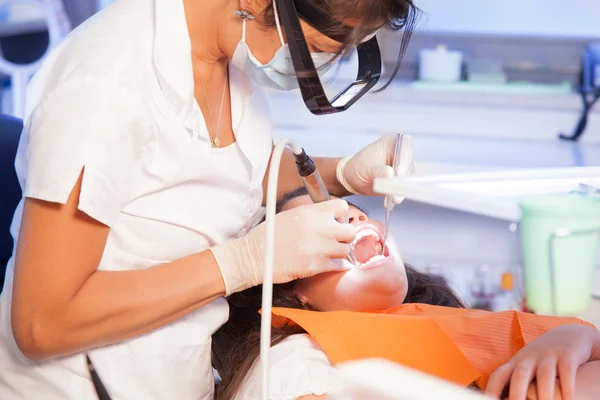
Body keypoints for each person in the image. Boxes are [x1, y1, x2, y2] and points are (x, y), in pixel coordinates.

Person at [0, 0, 419, 398]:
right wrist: (242, 262)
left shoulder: (228, 53)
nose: (319, 68)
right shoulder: (105, 86)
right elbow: (43, 324)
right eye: (316, 48)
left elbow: (221, 174)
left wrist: (344, 172)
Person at [212, 188, 600, 400]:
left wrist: (575, 338)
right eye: (324, 227)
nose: (354, 218)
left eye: (353, 211)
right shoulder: (294, 360)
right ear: (292, 294)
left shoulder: (431, 322)